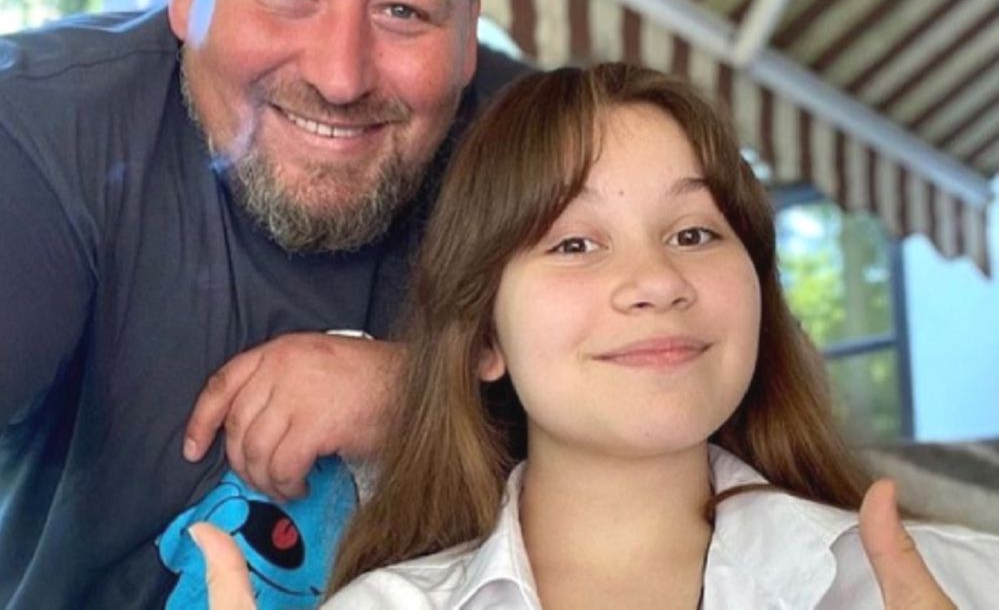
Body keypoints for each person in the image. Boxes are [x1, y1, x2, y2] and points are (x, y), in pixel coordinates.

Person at [0, 0, 522, 607]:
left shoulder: (558, 155)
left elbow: (706, 403)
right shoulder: (25, 138)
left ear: (467, 34)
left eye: (403, 10)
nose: (340, 75)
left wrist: (423, 393)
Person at [196, 64, 997, 608]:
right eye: (574, 242)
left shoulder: (954, 581)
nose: (656, 280)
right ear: (483, 337)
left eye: (694, 233)